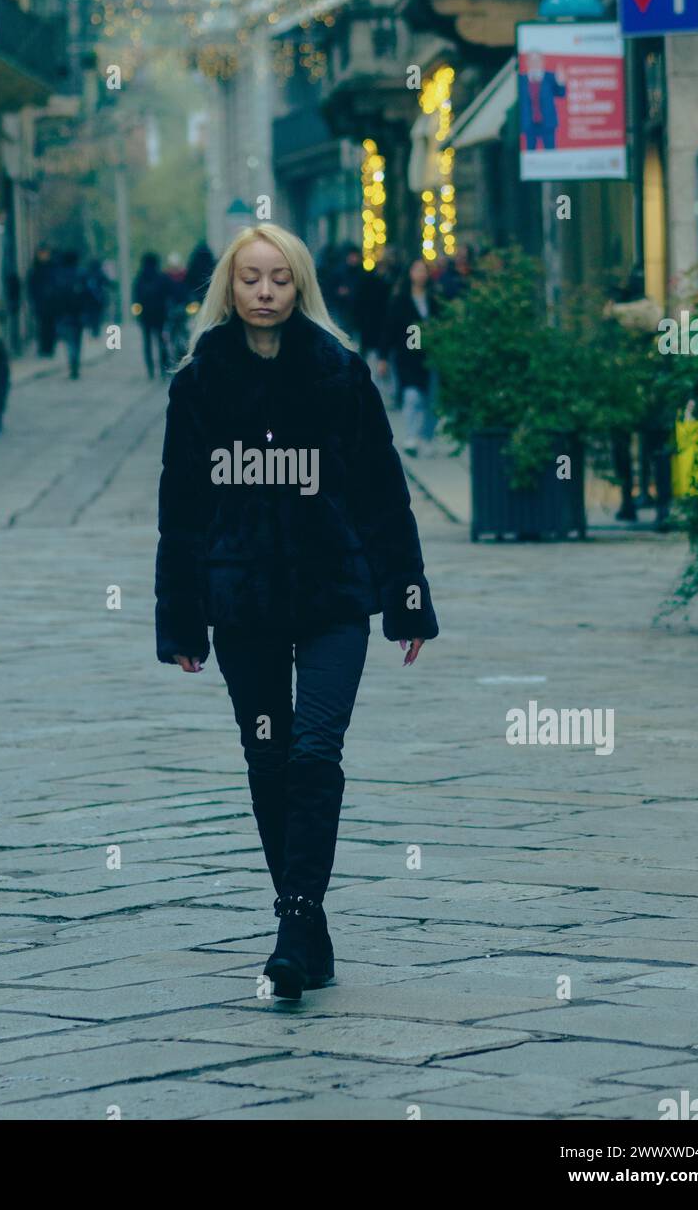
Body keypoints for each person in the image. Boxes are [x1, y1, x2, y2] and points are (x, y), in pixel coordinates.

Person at [155, 223, 439, 1001]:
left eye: (279, 278)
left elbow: (382, 491)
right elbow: (180, 509)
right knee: (268, 758)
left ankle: (293, 920)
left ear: (300, 284)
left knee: (315, 750)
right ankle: (304, 927)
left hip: (332, 595)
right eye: (250, 278)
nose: (265, 292)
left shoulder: (339, 374)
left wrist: (406, 599)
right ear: (229, 286)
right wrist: (180, 619)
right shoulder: (199, 383)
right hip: (240, 599)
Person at [378, 256, 437, 457]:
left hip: (433, 357)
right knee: (412, 396)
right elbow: (389, 329)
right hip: (408, 357)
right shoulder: (400, 301)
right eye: (417, 270)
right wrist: (383, 357)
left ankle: (426, 437)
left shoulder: (435, 299)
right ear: (410, 274)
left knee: (432, 400)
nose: (421, 274)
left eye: (424, 270)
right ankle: (411, 436)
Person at [133, 251, 170, 379]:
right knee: (162, 341)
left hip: (145, 316)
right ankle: (163, 368)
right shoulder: (162, 277)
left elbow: (136, 298)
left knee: (147, 342)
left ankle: (150, 370)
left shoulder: (140, 278)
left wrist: (137, 314)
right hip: (160, 315)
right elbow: (169, 294)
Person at [54, 249, 90, 380]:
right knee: (77, 340)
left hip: (64, 313)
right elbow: (89, 292)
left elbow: (55, 295)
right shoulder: (81, 273)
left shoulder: (59, 274)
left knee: (69, 341)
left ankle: (72, 362)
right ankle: (75, 363)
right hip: (79, 313)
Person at [28, 245, 57, 356]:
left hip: (52, 304)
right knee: (41, 326)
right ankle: (43, 348)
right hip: (40, 303)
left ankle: (49, 348)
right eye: (42, 254)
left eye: (45, 253)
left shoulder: (52, 268)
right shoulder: (36, 269)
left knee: (51, 326)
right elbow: (32, 286)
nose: (44, 256)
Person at [184, 240, 216, 308]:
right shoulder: (212, 263)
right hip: (208, 295)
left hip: (198, 296)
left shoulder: (193, 264)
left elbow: (188, 280)